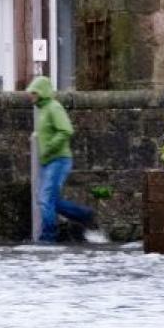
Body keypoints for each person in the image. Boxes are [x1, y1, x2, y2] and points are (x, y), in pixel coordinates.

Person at [29, 75, 102, 244]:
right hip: (49, 161)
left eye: (34, 92)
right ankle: (84, 215)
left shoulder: (54, 107)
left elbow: (66, 130)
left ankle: (48, 237)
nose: (30, 96)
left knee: (45, 199)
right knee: (50, 200)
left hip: (58, 160)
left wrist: (49, 147)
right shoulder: (43, 110)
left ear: (42, 92)